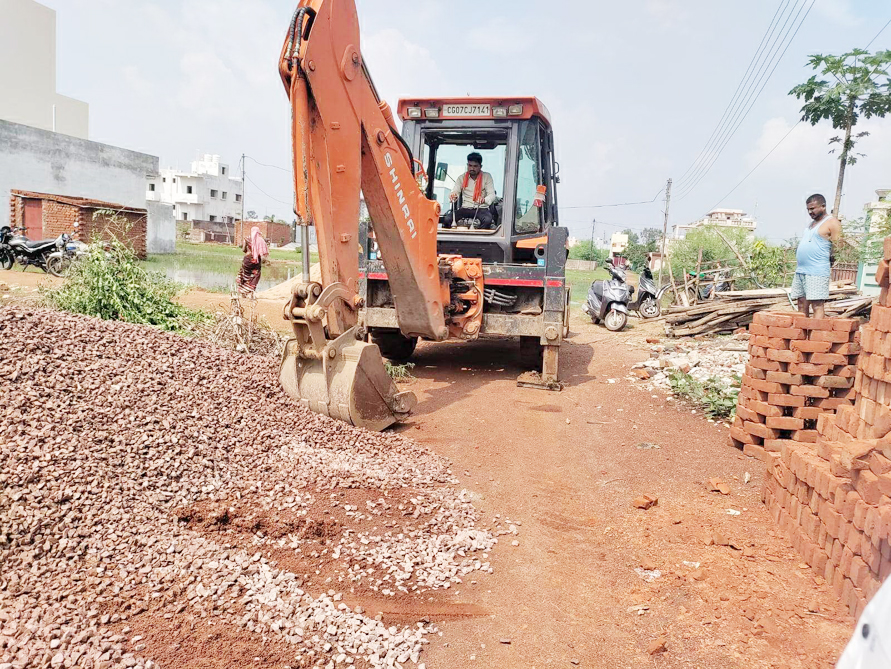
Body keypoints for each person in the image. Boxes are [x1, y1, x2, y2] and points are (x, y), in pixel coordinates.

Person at [790, 193, 841, 319]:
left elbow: (839, 246)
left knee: (817, 305)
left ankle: (816, 337)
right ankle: (801, 336)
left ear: (823, 206)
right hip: (801, 270)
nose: (810, 212)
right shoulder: (811, 225)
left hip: (817, 271)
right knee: (801, 303)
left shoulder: (832, 222)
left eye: (812, 208)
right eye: (808, 209)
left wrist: (831, 259)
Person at [443, 152, 498, 229]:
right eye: (470, 165)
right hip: (465, 208)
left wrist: (483, 200)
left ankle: (480, 239)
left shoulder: (487, 177)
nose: (472, 168)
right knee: (447, 219)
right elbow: (455, 191)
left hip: (481, 208)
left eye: (475, 166)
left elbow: (492, 195)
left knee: (487, 220)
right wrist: (453, 195)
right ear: (467, 165)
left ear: (480, 166)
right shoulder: (461, 178)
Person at [236, 226, 269, 296]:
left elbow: (243, 250)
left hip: (247, 261)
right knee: (255, 276)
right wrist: (265, 261)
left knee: (245, 274)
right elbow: (262, 254)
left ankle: (242, 292)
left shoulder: (247, 239)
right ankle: (250, 292)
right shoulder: (260, 240)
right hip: (255, 262)